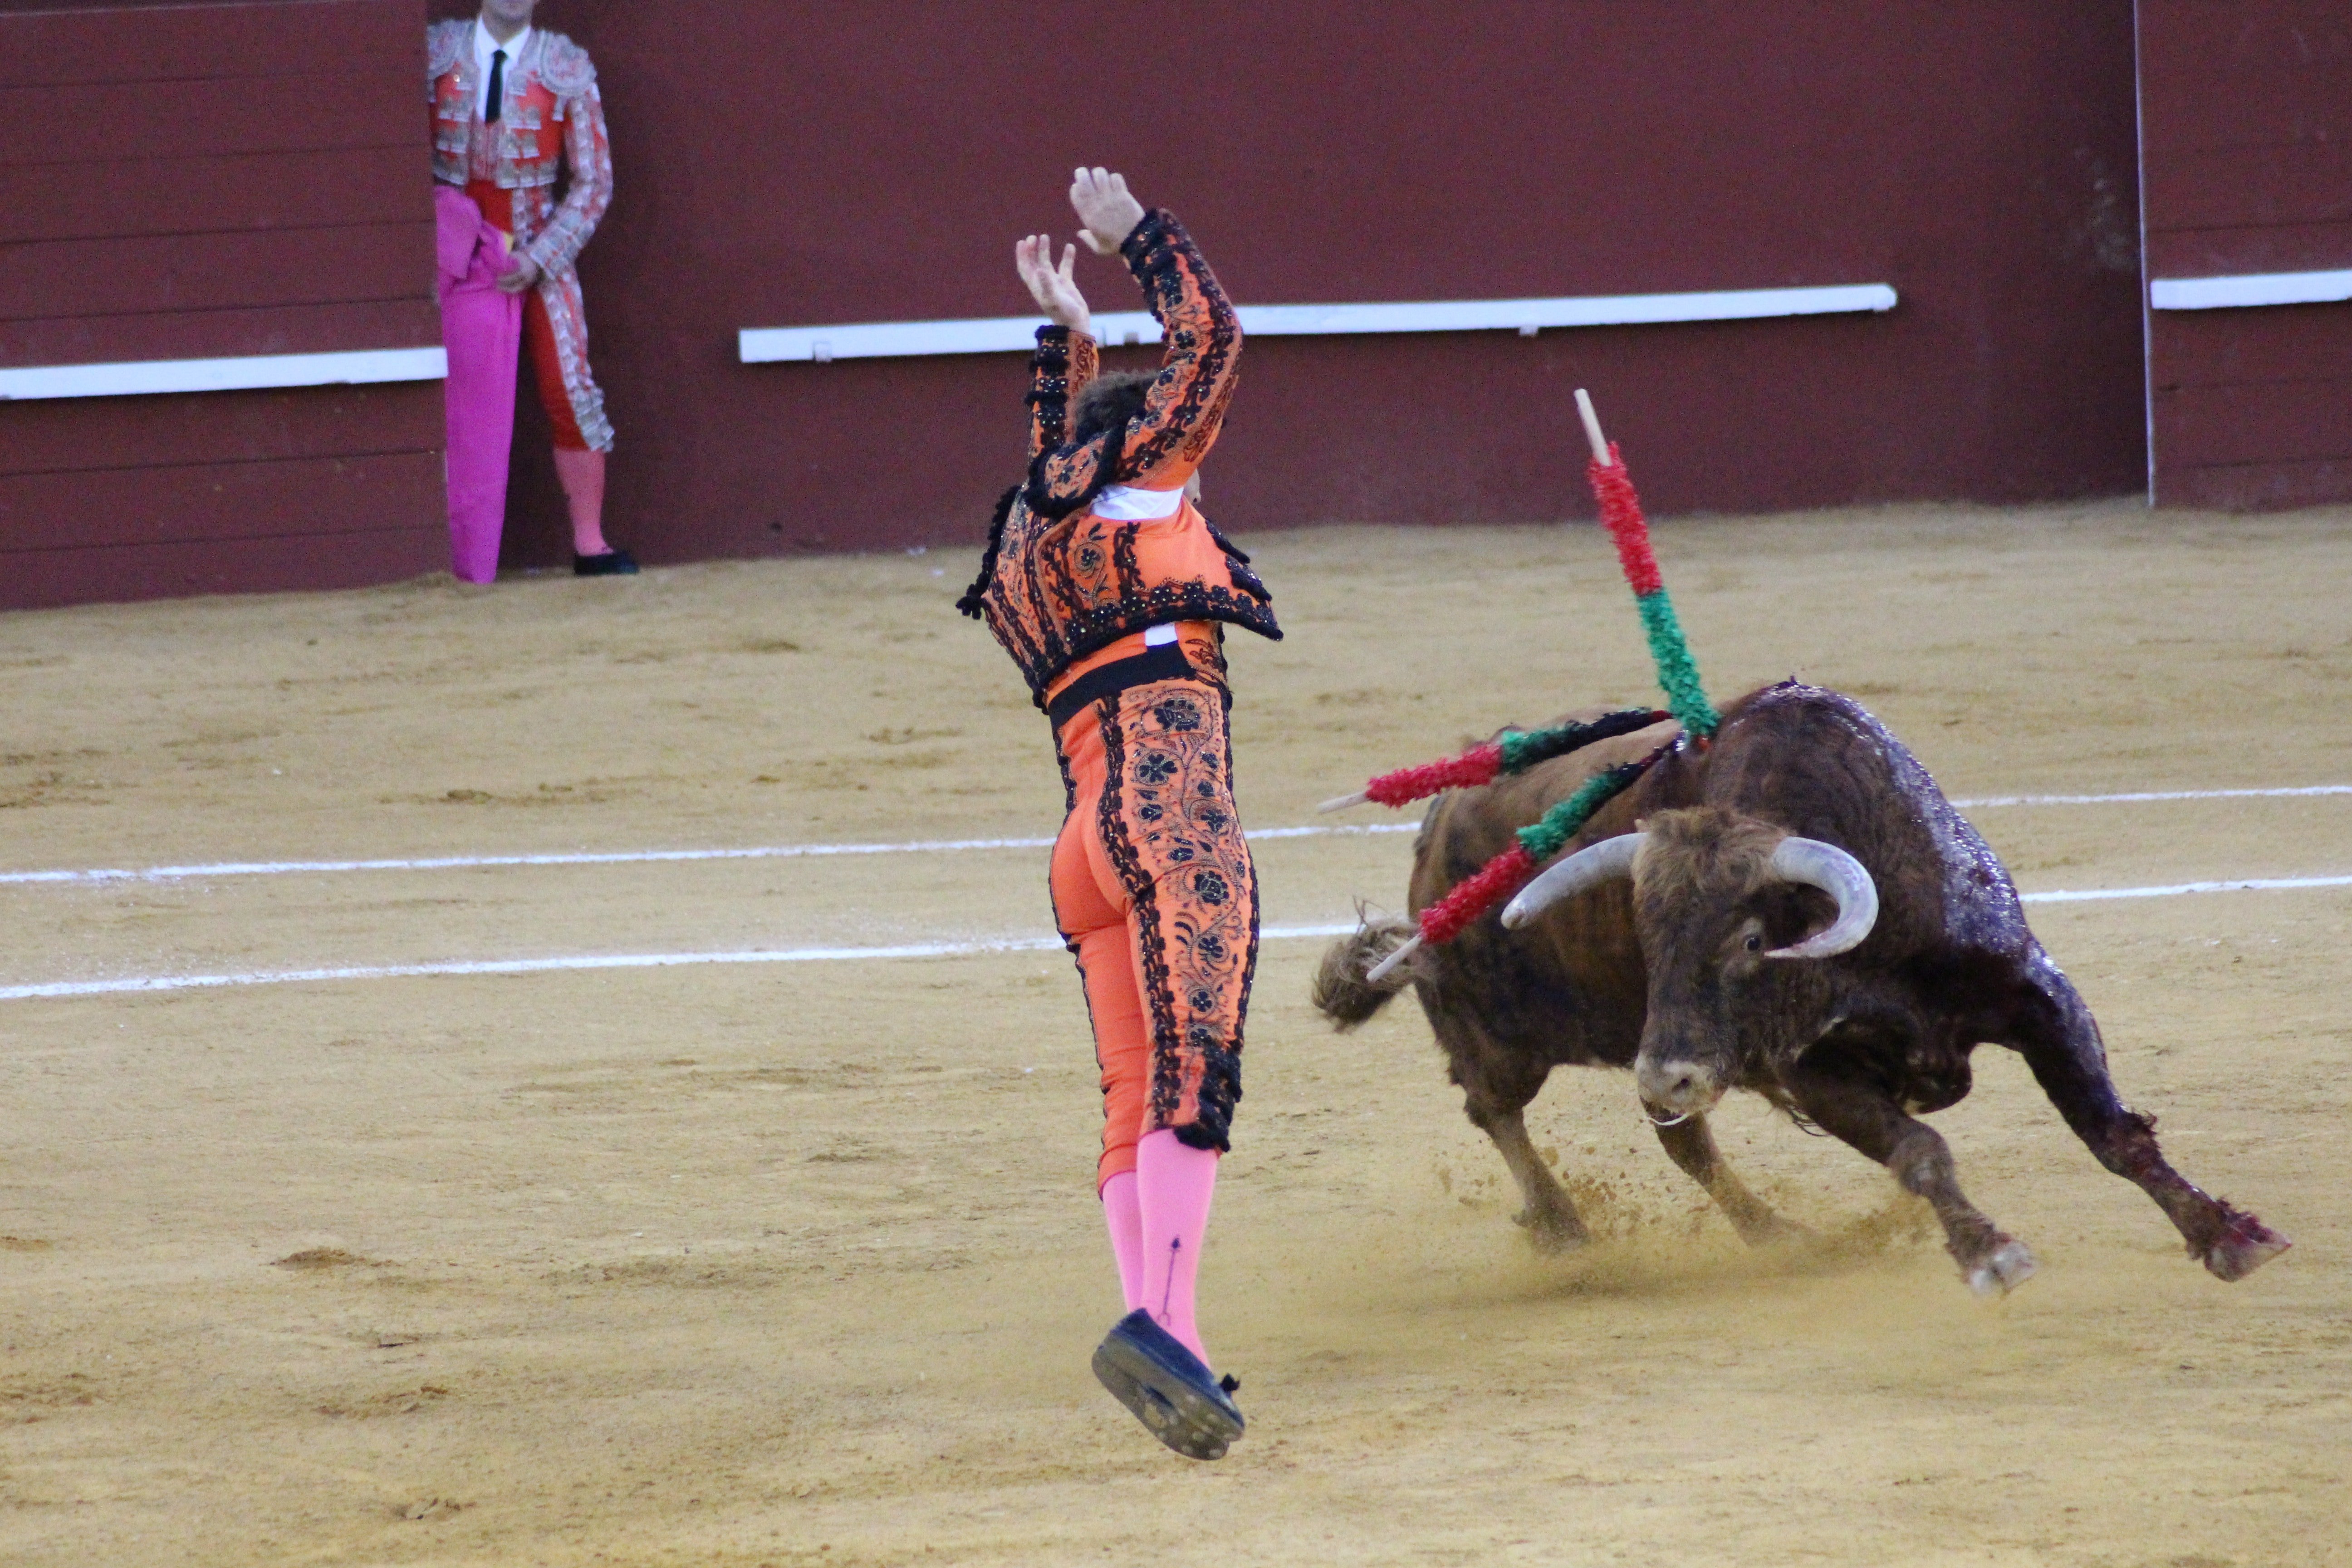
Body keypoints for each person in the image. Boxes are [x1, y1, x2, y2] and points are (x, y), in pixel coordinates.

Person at [958, 169, 1280, 1460]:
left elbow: (1052, 457)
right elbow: (1213, 344)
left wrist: (1067, 329)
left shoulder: (1029, 541)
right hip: (1169, 807)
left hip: (1081, 843)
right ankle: (1175, 1333)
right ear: (1142, 437)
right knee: (1194, 1068)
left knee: (1130, 1088)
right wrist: (1137, 239)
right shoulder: (1148, 481)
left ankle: (1150, 1321)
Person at [427, 0, 636, 577]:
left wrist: (544, 258)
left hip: (538, 248)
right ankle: (445, 548)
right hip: (453, 254)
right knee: (442, 396)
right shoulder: (433, 54)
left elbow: (594, 182)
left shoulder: (566, 67)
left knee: (569, 388)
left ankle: (590, 544)